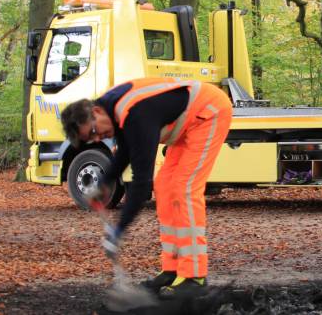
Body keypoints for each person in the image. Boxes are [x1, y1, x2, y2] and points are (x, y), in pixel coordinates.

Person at [60, 77, 233, 298]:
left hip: (209, 112)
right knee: (164, 186)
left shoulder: (136, 115)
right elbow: (124, 154)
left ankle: (193, 277)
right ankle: (172, 270)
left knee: (184, 188)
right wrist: (103, 185)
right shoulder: (113, 111)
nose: (98, 138)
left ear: (96, 111)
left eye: (94, 132)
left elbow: (141, 186)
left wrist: (118, 231)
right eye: (90, 139)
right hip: (188, 121)